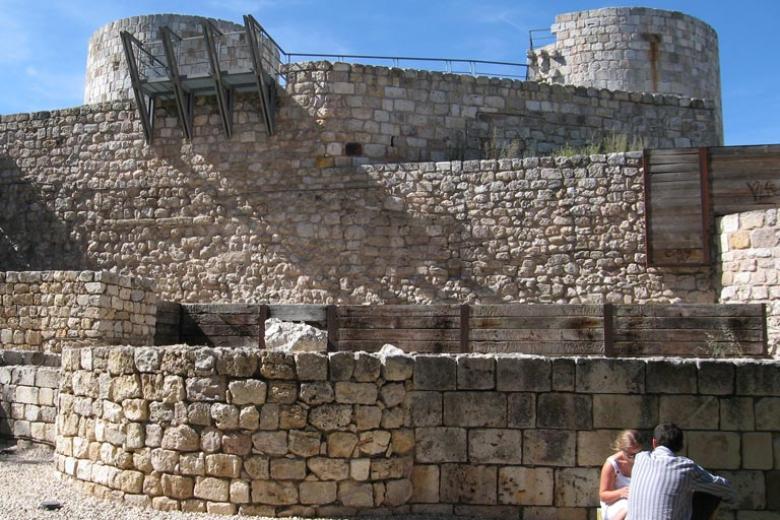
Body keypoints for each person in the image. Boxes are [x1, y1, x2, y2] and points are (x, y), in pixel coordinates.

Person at [628, 423, 736, 520]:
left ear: (654, 442)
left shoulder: (640, 458)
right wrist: (729, 496)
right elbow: (726, 488)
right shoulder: (684, 467)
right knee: (709, 492)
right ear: (680, 446)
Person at [599, 429, 642, 520]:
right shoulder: (612, 464)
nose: (635, 458)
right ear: (622, 449)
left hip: (636, 502)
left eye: (638, 454)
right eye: (631, 455)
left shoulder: (643, 460)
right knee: (630, 510)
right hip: (613, 505)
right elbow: (603, 495)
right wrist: (621, 493)